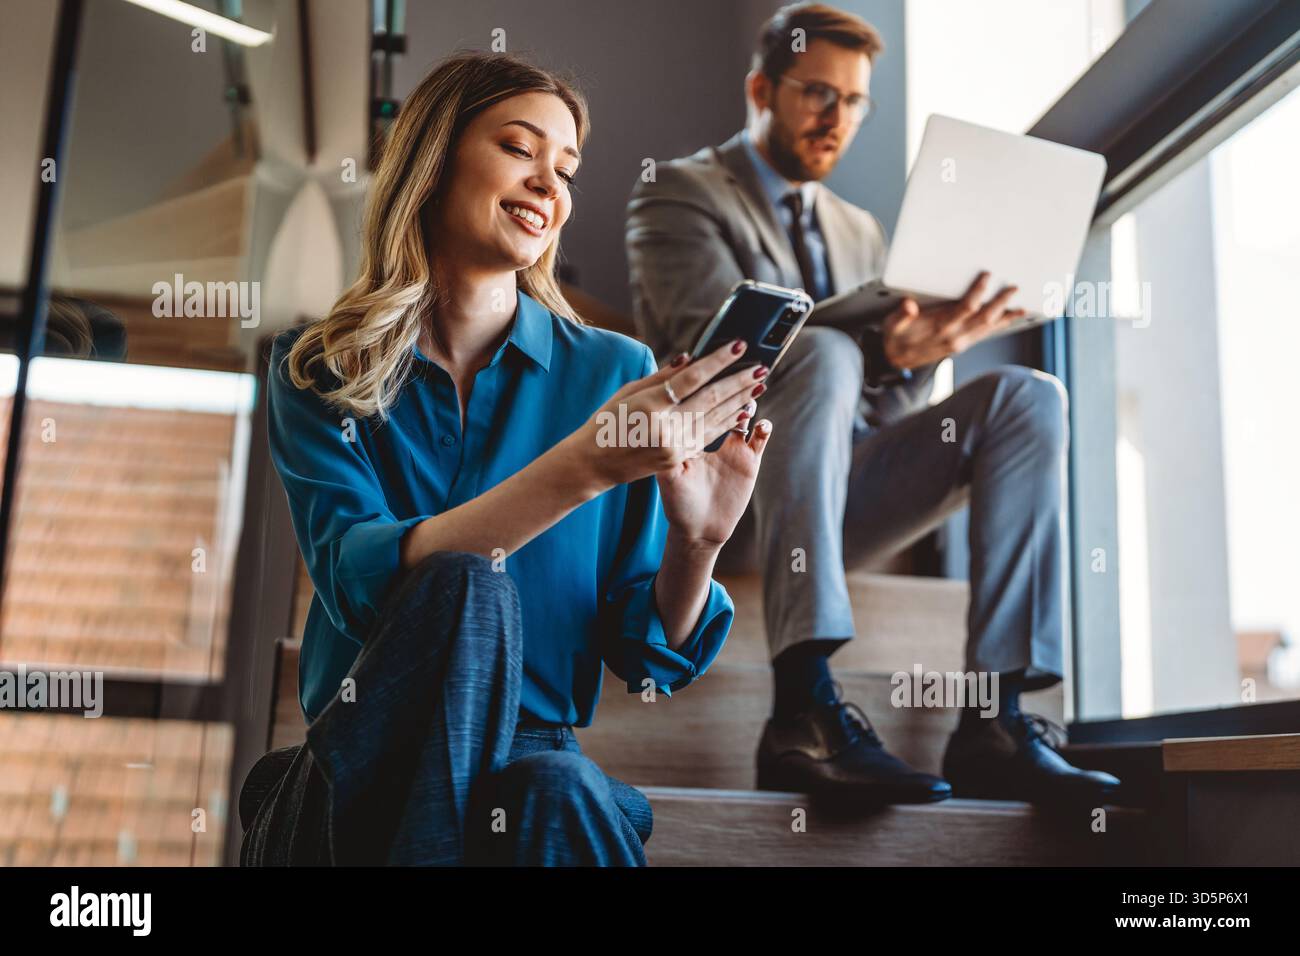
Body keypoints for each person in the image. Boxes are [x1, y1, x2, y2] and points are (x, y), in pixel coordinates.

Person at [241, 50, 772, 866]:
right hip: (365, 754)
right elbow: (360, 578)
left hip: (534, 761)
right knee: (461, 582)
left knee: (558, 789)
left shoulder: (615, 374)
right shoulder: (316, 367)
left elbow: (645, 655)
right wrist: (582, 468)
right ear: (433, 159)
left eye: (565, 169)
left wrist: (699, 544)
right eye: (520, 150)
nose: (549, 185)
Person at [625, 2, 1119, 806]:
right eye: (819, 93)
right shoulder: (679, 195)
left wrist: (920, 358)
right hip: (728, 503)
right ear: (762, 89)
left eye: (855, 101)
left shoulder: (860, 231)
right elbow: (713, 362)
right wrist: (876, 348)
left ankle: (996, 717)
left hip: (838, 501)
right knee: (819, 346)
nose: (838, 117)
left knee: (1028, 396)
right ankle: (801, 708)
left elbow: (882, 418)